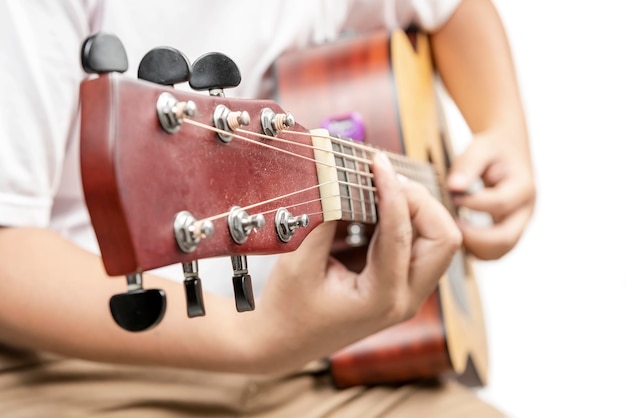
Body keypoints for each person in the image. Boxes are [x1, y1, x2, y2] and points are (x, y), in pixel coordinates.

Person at [0, 0, 534, 416]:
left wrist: (504, 133)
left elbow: (455, 11)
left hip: (325, 368)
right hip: (76, 370)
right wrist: (254, 339)